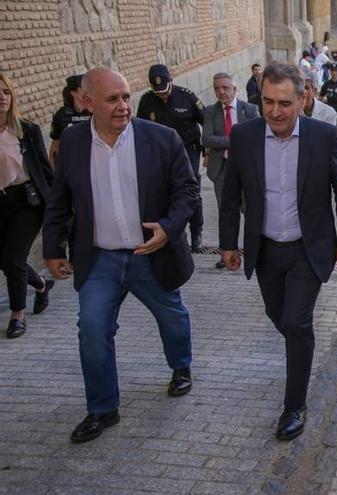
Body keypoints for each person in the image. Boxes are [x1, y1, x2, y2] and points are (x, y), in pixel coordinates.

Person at [43, 68, 198, 443]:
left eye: (127, 97)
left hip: (150, 253)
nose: (123, 106)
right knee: (93, 329)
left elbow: (188, 192)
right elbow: (59, 202)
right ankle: (102, 408)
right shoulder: (74, 142)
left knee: (172, 316)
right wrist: (52, 248)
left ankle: (181, 366)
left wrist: (168, 227)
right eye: (112, 99)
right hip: (100, 260)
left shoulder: (162, 139)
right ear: (86, 101)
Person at [219, 61, 337, 442]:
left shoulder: (323, 136)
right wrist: (229, 243)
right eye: (268, 102)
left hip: (308, 249)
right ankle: (302, 347)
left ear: (302, 99)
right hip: (265, 250)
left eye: (284, 103)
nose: (275, 112)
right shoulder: (245, 137)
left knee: (296, 322)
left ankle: (294, 405)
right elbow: (230, 196)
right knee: (279, 315)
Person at [0, 73, 55, 338]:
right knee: (4, 259)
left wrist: (59, 206)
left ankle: (17, 315)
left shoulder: (26, 130)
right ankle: (42, 284)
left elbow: (44, 170)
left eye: (6, 92)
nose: (2, 98)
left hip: (25, 202)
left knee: (14, 257)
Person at [136, 64, 205, 252]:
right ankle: (169, 231)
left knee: (191, 192)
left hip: (188, 151)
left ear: (171, 81)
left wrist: (207, 151)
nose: (162, 95)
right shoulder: (146, 102)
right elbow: (139, 131)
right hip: (160, 156)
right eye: (158, 92)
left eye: (165, 91)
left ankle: (196, 231)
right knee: (163, 193)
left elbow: (206, 120)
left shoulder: (187, 97)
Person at [202, 73, 259, 269]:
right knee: (225, 211)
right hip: (221, 169)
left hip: (245, 169)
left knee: (249, 209)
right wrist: (237, 139)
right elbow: (207, 139)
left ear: (235, 89)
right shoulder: (210, 112)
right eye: (217, 88)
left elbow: (256, 137)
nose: (221, 92)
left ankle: (255, 249)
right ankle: (226, 249)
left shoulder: (250, 110)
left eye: (225, 88)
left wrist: (229, 140)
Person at [49, 74, 91, 166]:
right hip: (71, 163)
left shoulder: (95, 111)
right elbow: (55, 145)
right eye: (83, 87)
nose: (88, 90)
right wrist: (53, 174)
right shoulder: (61, 115)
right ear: (74, 92)